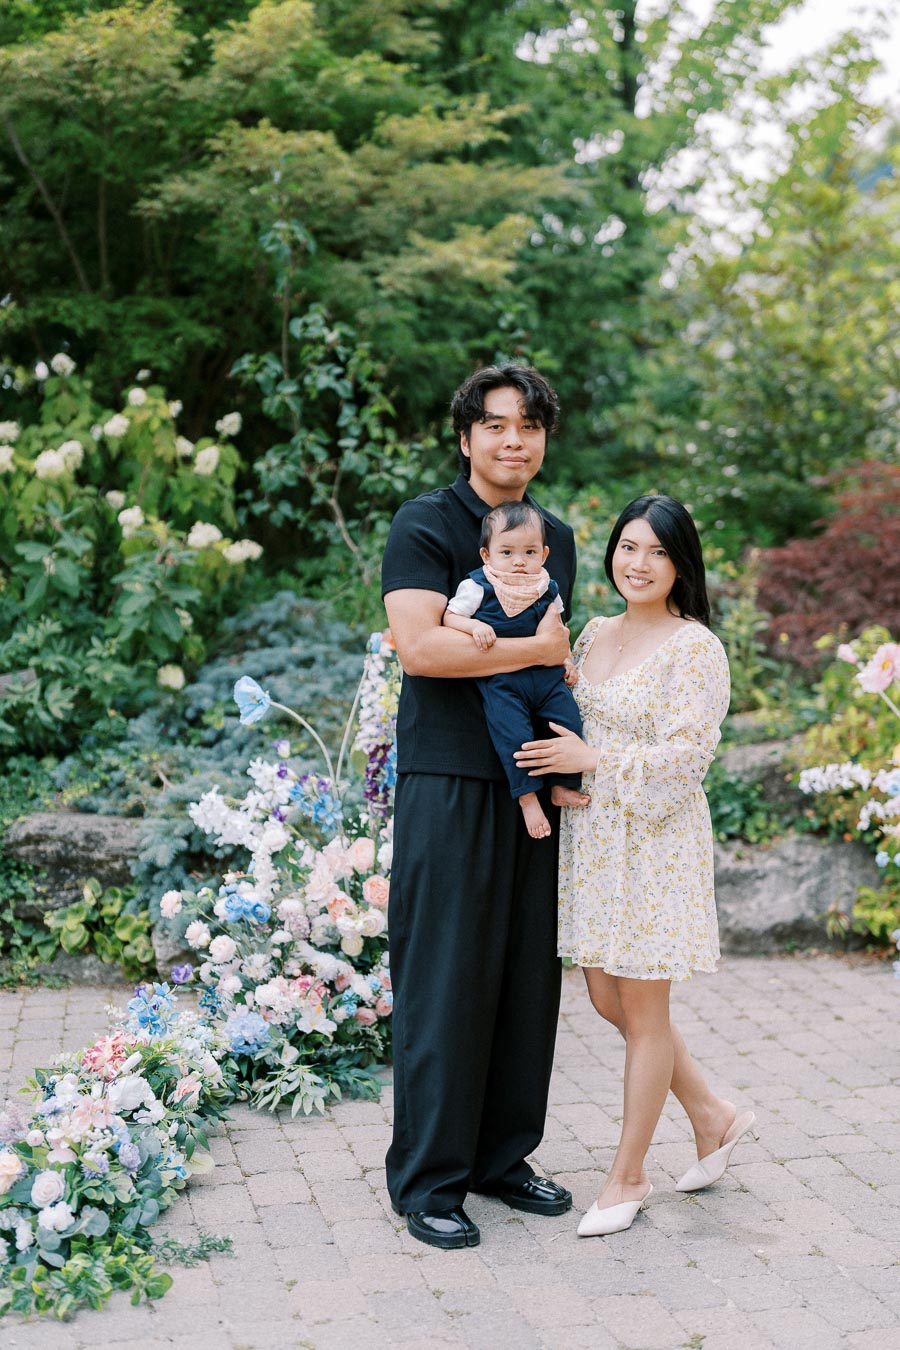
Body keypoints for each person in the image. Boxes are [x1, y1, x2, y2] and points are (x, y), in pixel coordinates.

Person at [514, 494, 756, 1238]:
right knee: (607, 1001)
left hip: (654, 845)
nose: (638, 563)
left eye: (656, 551)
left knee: (646, 1012)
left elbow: (687, 761)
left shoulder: (694, 648)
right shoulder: (590, 634)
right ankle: (713, 1115)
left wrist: (595, 760)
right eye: (627, 547)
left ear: (680, 562)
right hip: (595, 846)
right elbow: (566, 713)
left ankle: (628, 1176)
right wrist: (557, 774)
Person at [381, 364, 576, 1250]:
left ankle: (503, 1159)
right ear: (466, 437)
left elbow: (557, 665)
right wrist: (529, 649)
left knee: (525, 979)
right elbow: (421, 650)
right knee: (446, 979)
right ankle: (429, 1182)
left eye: (529, 425)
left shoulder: (556, 536)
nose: (514, 440)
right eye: (496, 424)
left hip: (530, 776)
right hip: (448, 781)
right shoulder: (425, 524)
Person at [443, 498, 589, 839]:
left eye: (529, 552)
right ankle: (527, 798)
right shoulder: (477, 586)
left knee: (568, 721)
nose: (519, 562)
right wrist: (473, 627)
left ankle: (562, 785)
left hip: (547, 678)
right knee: (514, 737)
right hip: (503, 680)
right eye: (507, 553)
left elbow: (558, 634)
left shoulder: (547, 588)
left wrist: (566, 662)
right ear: (487, 555)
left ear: (544, 555)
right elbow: (450, 616)